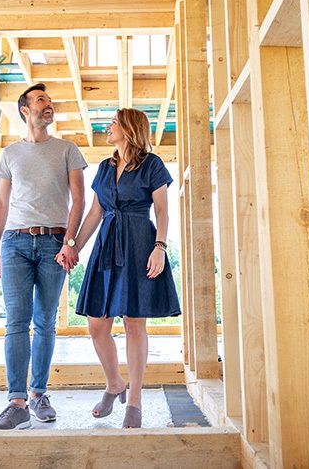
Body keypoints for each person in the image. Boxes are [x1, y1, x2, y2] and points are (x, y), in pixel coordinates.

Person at [64, 107, 180, 428]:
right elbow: (95, 214)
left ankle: (136, 400)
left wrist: (160, 247)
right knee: (97, 325)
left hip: (141, 244)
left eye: (114, 122)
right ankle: (115, 384)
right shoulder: (104, 167)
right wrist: (72, 246)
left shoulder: (152, 165)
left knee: (133, 323)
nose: (108, 126)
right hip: (106, 247)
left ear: (129, 129)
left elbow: (162, 210)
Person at [0, 83, 87, 430]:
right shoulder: (10, 154)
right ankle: (17, 403)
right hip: (14, 243)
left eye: (49, 101)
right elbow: (0, 203)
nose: (49, 105)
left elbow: (80, 200)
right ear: (25, 111)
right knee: (16, 321)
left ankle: (38, 394)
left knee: (44, 321)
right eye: (41, 100)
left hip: (53, 243)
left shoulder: (67, 150)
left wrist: (70, 242)